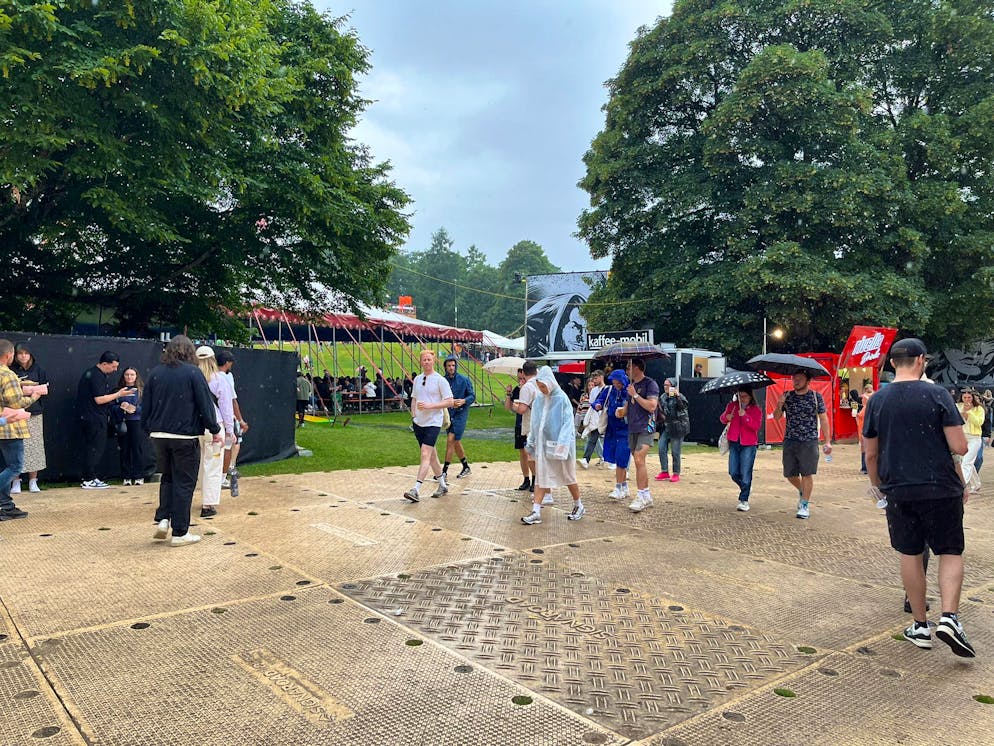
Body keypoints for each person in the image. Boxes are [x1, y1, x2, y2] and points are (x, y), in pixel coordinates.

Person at [863, 338, 975, 657]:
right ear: (921, 360)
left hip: (898, 489)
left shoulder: (878, 400)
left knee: (910, 553)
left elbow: (870, 454)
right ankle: (950, 618)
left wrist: (878, 488)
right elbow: (960, 447)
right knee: (950, 551)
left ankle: (920, 625)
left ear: (893, 363)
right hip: (940, 487)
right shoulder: (937, 394)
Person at [142, 336, 222, 546]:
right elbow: (205, 404)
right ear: (189, 352)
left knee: (167, 478)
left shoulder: (155, 373)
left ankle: (163, 519)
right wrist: (214, 429)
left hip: (159, 435)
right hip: (184, 436)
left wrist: (147, 428)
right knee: (184, 483)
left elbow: (146, 404)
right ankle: (180, 532)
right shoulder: (193, 373)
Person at [520, 366, 585, 524]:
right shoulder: (540, 400)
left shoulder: (561, 398)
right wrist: (532, 441)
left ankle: (579, 505)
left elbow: (568, 423)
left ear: (550, 383)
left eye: (543, 386)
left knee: (568, 476)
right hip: (544, 445)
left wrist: (563, 444)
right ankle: (536, 511)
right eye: (539, 386)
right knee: (541, 476)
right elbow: (535, 422)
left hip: (561, 446)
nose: (541, 389)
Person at [773, 370, 832, 519]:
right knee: (790, 474)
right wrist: (779, 405)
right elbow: (776, 417)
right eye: (794, 378)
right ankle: (802, 491)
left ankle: (804, 504)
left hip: (809, 440)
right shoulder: (787, 396)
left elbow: (824, 419)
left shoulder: (815, 397)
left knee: (807, 473)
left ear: (808, 381)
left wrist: (827, 441)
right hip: (790, 440)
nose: (796, 381)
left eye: (799, 379)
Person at [0, 339, 45, 520]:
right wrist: (34, 395)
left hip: (2, 423)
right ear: (9, 355)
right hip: (10, 426)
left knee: (4, 466)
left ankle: (5, 505)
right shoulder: (7, 374)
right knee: (15, 466)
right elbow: (16, 402)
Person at [404, 350, 453, 502]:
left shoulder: (440, 380)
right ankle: (443, 485)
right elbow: (413, 399)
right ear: (421, 362)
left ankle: (416, 489)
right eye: (424, 359)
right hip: (419, 422)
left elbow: (450, 401)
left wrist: (431, 406)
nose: (426, 362)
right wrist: (414, 416)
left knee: (425, 454)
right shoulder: (418, 379)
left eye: (429, 359)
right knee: (432, 456)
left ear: (434, 361)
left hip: (433, 422)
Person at [77, 351, 130, 489]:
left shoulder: (96, 374)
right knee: (94, 448)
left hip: (92, 416)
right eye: (113, 366)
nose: (115, 370)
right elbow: (99, 399)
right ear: (104, 364)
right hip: (93, 417)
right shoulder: (95, 376)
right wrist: (118, 394)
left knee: (94, 447)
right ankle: (89, 479)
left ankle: (90, 477)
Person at [195, 347, 234, 518]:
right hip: (215, 425)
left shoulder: (192, 378)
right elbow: (226, 406)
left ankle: (203, 496)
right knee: (213, 464)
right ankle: (208, 503)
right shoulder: (219, 379)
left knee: (202, 462)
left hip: (195, 426)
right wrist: (230, 430)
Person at [619, 358, 659, 512]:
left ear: (637, 367)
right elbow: (628, 408)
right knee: (637, 461)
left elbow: (652, 406)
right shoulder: (631, 386)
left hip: (646, 427)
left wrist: (635, 395)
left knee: (638, 459)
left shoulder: (650, 384)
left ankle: (641, 495)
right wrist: (621, 411)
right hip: (632, 428)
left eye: (629, 366)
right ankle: (646, 495)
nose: (627, 369)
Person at [10, 343, 47, 494]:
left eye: (26, 353)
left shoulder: (39, 370)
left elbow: (45, 389)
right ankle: (15, 481)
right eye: (20, 353)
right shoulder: (11, 371)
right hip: (15, 413)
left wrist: (33, 390)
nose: (23, 356)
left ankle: (33, 480)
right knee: (16, 447)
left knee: (35, 447)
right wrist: (27, 390)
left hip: (34, 413)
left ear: (31, 354)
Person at [719, 387, 763, 511]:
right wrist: (727, 417)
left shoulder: (756, 409)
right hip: (734, 442)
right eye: (740, 396)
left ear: (750, 397)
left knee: (745, 472)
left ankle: (744, 499)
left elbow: (756, 426)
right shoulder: (733, 406)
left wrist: (745, 416)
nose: (742, 399)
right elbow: (722, 419)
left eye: (744, 396)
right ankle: (746, 487)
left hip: (748, 444)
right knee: (733, 472)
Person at [215, 349, 249, 494]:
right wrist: (240, 420)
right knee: (229, 446)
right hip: (224, 419)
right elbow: (232, 401)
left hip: (210, 419)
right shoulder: (226, 378)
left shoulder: (208, 376)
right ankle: (222, 477)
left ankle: (218, 476)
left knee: (216, 450)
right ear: (227, 363)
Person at [596, 369, 631, 500]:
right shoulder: (609, 390)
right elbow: (599, 400)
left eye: (618, 383)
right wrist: (598, 405)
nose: (616, 385)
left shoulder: (629, 391)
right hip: (611, 428)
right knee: (614, 456)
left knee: (621, 456)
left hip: (625, 429)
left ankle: (618, 487)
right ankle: (624, 486)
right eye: (614, 382)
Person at [112, 367, 147, 486]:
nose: (129, 377)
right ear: (123, 376)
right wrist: (121, 407)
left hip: (137, 422)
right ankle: (126, 476)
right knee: (124, 449)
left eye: (132, 375)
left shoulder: (142, 391)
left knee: (137, 449)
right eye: (127, 375)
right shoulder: (118, 391)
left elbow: (147, 407)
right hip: (123, 422)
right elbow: (111, 406)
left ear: (136, 376)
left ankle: (139, 476)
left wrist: (136, 409)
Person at [442, 354, 476, 479]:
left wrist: (463, 401)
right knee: (455, 442)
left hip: (461, 414)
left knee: (451, 439)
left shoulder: (464, 380)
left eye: (453, 365)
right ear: (445, 367)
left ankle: (444, 471)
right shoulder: (442, 380)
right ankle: (466, 466)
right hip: (448, 414)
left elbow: (472, 396)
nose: (451, 368)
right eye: (449, 366)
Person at [512, 361, 540, 496]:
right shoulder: (541, 384)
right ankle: (536, 481)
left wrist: (514, 406)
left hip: (530, 425)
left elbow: (522, 409)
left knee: (530, 456)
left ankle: (537, 481)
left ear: (523, 372)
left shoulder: (527, 387)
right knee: (535, 455)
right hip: (542, 423)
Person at [655, 378, 689, 483]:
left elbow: (683, 407)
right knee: (661, 447)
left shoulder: (680, 396)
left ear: (673, 386)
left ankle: (676, 473)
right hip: (667, 426)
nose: (666, 387)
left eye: (668, 385)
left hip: (678, 427)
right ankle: (664, 471)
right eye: (665, 385)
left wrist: (677, 396)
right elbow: (661, 411)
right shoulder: (663, 397)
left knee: (675, 451)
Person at [505, 369, 533, 491]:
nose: (521, 381)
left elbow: (523, 408)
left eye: (523, 378)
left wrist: (518, 407)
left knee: (531, 453)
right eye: (519, 378)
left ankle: (535, 478)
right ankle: (526, 478)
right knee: (522, 452)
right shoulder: (518, 390)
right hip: (519, 424)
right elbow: (508, 407)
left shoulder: (531, 390)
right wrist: (508, 394)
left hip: (530, 424)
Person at [956, 389, 984, 493]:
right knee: (967, 462)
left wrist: (969, 413)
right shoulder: (957, 406)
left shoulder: (979, 409)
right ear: (961, 398)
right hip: (961, 437)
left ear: (972, 398)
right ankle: (976, 484)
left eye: (969, 397)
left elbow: (979, 423)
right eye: (965, 397)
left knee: (966, 462)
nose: (967, 399)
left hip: (974, 438)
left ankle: (961, 485)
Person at [578, 370, 606, 468]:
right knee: (592, 439)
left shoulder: (607, 389)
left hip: (605, 417)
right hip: (596, 418)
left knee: (604, 439)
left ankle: (606, 458)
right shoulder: (594, 391)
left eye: (596, 378)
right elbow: (592, 404)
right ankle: (586, 459)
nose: (594, 381)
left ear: (601, 377)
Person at [857, 384, 874, 474]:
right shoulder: (875, 400)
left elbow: (860, 417)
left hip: (864, 430)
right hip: (872, 430)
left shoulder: (865, 408)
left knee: (865, 449)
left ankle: (865, 468)